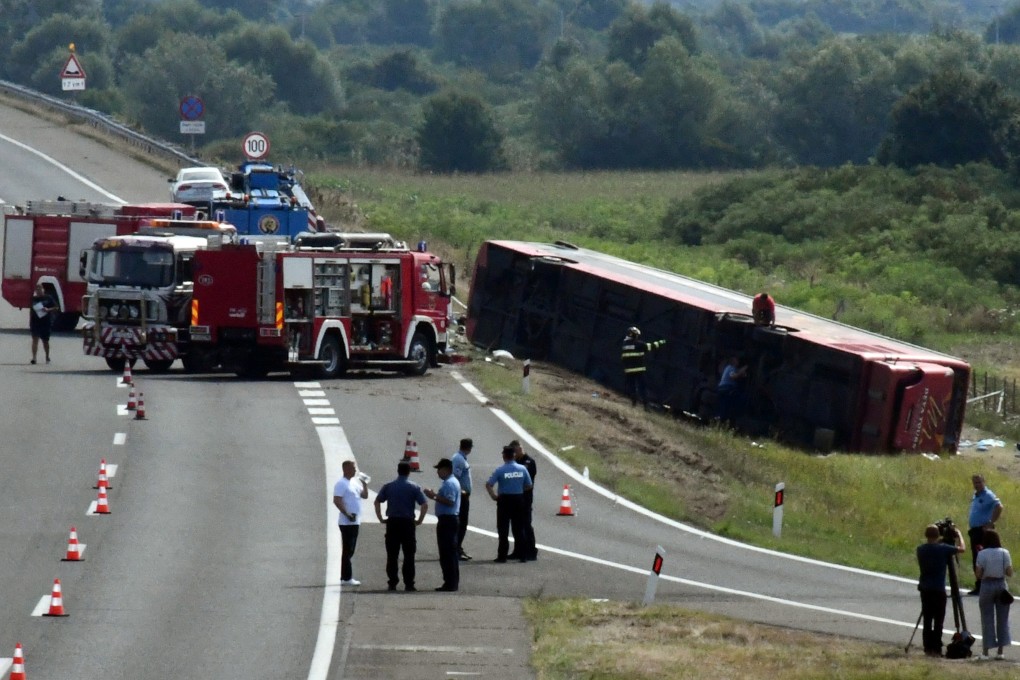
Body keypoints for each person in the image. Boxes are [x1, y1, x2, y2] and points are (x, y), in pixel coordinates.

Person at [374, 461, 428, 592]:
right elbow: (424, 504)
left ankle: (392, 582)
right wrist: (420, 520)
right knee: (409, 555)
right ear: (409, 472)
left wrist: (381, 518)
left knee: (392, 554)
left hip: (392, 523)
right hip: (407, 523)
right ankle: (409, 583)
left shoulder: (389, 486)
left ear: (397, 471)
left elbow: (377, 501)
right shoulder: (414, 487)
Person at [916, 523, 966, 657]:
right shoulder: (943, 549)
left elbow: (933, 546)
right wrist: (959, 534)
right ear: (938, 535)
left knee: (927, 619)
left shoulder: (920, 549)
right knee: (939, 619)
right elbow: (962, 549)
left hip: (925, 588)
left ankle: (928, 647)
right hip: (938, 589)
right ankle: (937, 647)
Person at [485, 445, 532, 563]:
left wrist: (494, 496)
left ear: (504, 456)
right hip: (518, 499)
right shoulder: (522, 469)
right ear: (514, 455)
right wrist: (519, 490)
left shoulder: (500, 470)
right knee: (519, 528)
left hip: (504, 500)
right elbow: (529, 485)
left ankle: (502, 556)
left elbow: (489, 484)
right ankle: (523, 555)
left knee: (503, 529)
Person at [974, 529, 1013, 660]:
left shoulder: (982, 554)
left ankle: (986, 651)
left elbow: (978, 574)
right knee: (1003, 618)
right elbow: (1009, 572)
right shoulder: (1004, 553)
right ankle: (1000, 651)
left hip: (987, 584)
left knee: (986, 618)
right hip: (1001, 584)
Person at [424, 458, 461, 592]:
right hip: (448, 519)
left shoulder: (449, 484)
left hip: (448, 520)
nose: (438, 472)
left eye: (439, 469)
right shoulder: (449, 482)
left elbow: (450, 501)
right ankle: (450, 582)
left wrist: (433, 496)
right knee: (447, 552)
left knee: (447, 552)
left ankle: (451, 582)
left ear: (446, 469)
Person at [332, 460, 369, 586]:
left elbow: (364, 495)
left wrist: (364, 483)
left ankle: (345, 576)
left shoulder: (353, 483)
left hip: (355, 521)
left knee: (351, 549)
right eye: (353, 468)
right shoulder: (341, 484)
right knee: (348, 550)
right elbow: (337, 500)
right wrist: (346, 513)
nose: (355, 470)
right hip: (347, 522)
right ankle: (346, 577)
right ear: (346, 469)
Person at [968, 474, 1004, 595]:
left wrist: (990, 522)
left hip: (982, 531)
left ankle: (984, 585)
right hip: (975, 530)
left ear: (984, 482)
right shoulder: (976, 495)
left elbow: (999, 507)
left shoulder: (987, 495)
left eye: (979, 482)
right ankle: (979, 585)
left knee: (981, 557)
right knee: (976, 557)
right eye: (975, 482)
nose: (977, 485)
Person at [620, 326, 666, 409]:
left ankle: (634, 403)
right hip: (639, 370)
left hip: (628, 371)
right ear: (634, 335)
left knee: (632, 387)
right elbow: (651, 346)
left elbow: (623, 358)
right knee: (642, 388)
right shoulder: (639, 344)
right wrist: (662, 341)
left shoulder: (624, 344)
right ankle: (646, 405)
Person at [509, 439, 538, 561]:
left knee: (526, 524)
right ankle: (518, 550)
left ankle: (531, 551)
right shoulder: (515, 462)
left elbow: (528, 480)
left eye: (519, 449)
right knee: (516, 525)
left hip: (525, 498)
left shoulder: (529, 462)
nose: (518, 451)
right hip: (515, 498)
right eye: (515, 450)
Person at [451, 438, 473, 561]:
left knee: (462, 523)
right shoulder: (459, 459)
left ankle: (458, 547)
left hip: (463, 495)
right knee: (461, 523)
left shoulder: (461, 458)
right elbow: (455, 477)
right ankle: (456, 548)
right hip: (461, 496)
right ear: (469, 448)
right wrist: (461, 492)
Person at [29, 283, 58, 364]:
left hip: (45, 322)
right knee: (35, 339)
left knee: (45, 341)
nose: (38, 291)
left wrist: (48, 309)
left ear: (43, 290)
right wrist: (30, 322)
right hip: (35, 322)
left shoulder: (48, 298)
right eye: (37, 289)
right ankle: (34, 358)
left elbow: (56, 307)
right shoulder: (33, 299)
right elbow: (31, 311)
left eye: (40, 289)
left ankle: (47, 356)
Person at [716, 356, 748, 424]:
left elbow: (742, 375)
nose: (738, 362)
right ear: (733, 361)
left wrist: (742, 372)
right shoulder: (731, 368)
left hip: (724, 389)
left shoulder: (731, 368)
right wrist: (741, 372)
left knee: (724, 406)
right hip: (726, 389)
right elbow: (733, 376)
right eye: (737, 360)